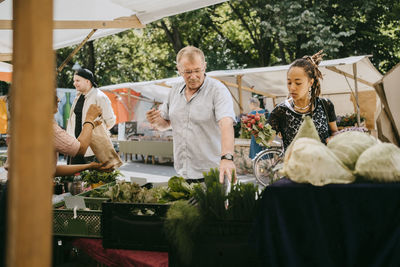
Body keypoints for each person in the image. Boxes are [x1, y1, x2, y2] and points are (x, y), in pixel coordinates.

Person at [146, 46, 236, 183]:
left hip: (213, 174)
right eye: (187, 72)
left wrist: (227, 157)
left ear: (204, 66)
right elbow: (165, 124)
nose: (193, 76)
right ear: (179, 70)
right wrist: (156, 121)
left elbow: (227, 124)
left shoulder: (218, 90)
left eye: (197, 70)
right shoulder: (174, 91)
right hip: (183, 173)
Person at [268, 50, 338, 151]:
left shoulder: (325, 105)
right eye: (289, 82)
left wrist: (332, 139)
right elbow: (267, 141)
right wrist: (259, 131)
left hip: (323, 164)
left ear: (310, 82)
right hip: (294, 166)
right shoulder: (280, 111)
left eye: (298, 83)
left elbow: (334, 132)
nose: (292, 88)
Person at [66, 68, 116, 164]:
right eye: (74, 81)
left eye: (77, 81)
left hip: (93, 150)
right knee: (72, 178)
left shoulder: (100, 97)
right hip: (76, 147)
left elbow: (110, 121)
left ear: (87, 81)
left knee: (93, 178)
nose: (74, 83)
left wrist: (96, 135)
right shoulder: (78, 96)